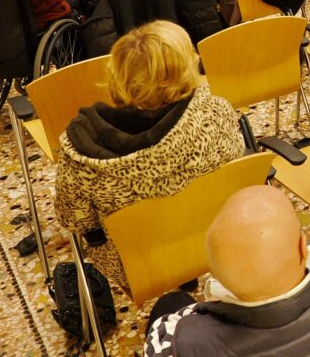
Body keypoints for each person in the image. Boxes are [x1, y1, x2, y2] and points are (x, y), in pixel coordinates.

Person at [55, 21, 243, 289]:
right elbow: (233, 167)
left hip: (136, 265)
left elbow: (73, 219)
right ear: (188, 65)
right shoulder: (217, 112)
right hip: (213, 240)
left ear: (118, 76)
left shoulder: (80, 153)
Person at [144, 185, 310, 357]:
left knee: (172, 301)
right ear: (302, 248)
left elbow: (189, 319)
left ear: (219, 285)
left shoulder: (172, 342)